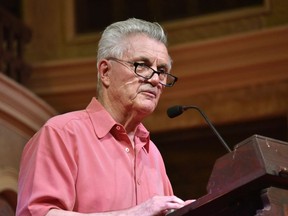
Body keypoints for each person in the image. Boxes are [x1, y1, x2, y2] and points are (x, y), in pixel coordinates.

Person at [16, 18, 191, 216]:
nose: (155, 79)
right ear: (105, 71)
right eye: (141, 65)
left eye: (162, 71)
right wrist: (134, 213)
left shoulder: (153, 155)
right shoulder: (62, 134)